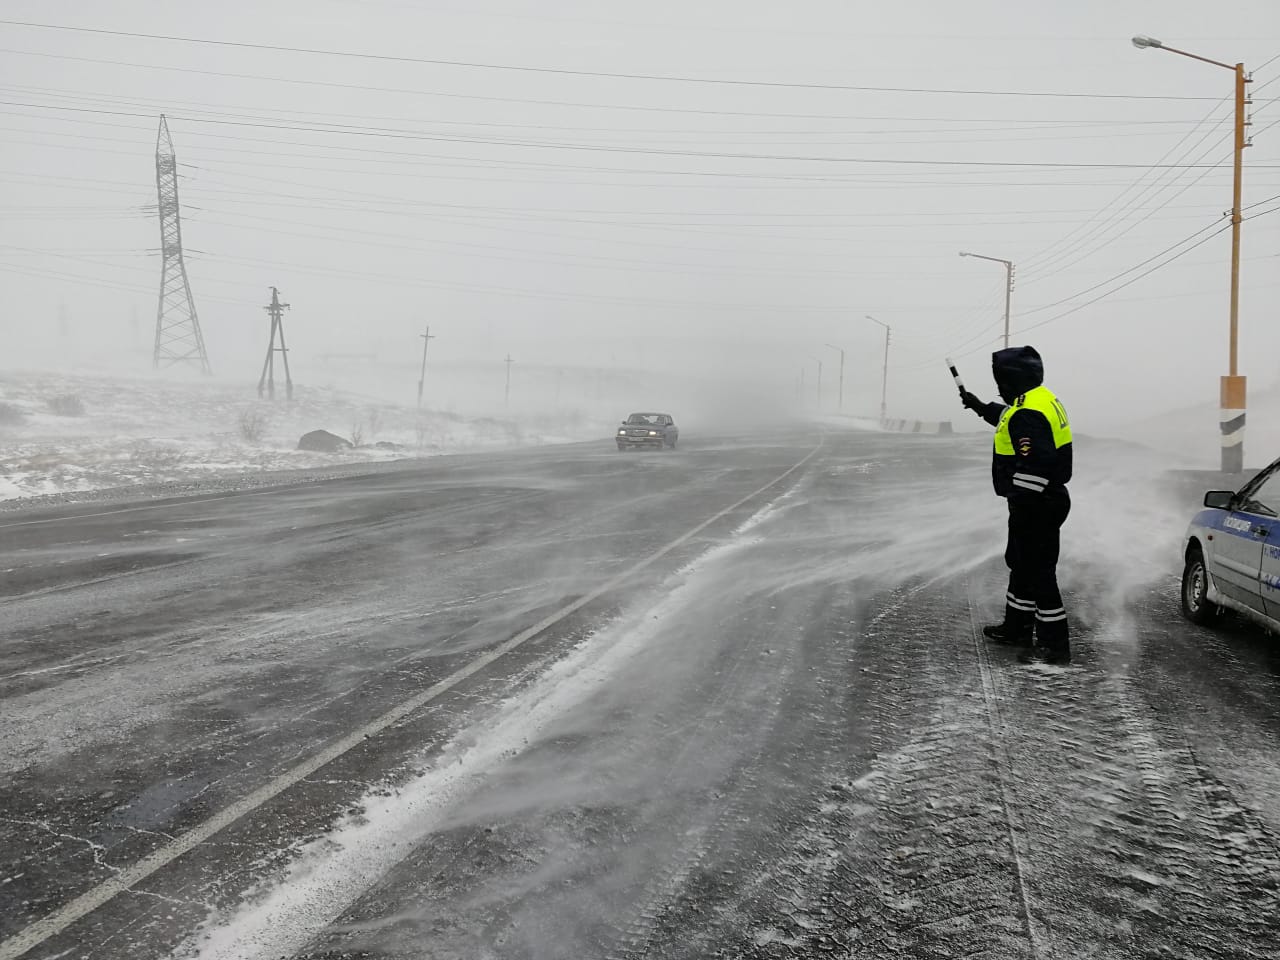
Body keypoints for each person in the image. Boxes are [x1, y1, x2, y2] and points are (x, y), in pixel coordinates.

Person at [959, 345, 1072, 665]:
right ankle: (1017, 628)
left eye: (1001, 380)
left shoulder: (1028, 412)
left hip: (1037, 501)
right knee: (1021, 565)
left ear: (1014, 379)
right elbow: (1007, 417)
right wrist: (979, 406)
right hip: (1039, 500)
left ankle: (1054, 646)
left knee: (1038, 572)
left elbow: (1037, 464)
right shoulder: (1037, 399)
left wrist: (1023, 506)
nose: (999, 387)